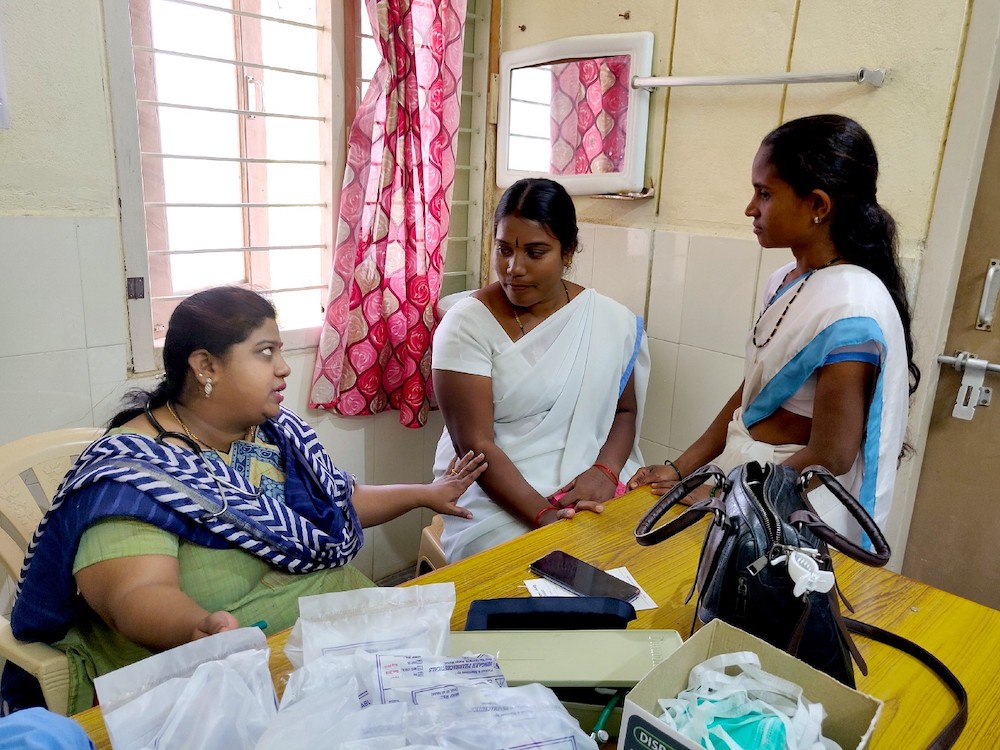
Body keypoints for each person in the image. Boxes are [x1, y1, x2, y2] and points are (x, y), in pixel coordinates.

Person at [1, 286, 485, 715]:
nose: (284, 367)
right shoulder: (136, 474)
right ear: (206, 366)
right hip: (215, 678)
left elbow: (339, 504)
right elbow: (133, 595)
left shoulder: (274, 433)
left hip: (326, 644)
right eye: (265, 352)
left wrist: (425, 494)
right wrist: (198, 626)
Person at [629, 114, 918, 543]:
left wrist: (729, 493)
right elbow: (751, 396)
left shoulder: (851, 309)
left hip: (790, 505)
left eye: (764, 194)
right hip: (746, 478)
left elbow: (831, 456)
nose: (750, 208)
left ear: (818, 206)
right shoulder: (786, 279)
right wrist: (681, 468)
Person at [432, 177, 650, 562]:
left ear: (568, 252)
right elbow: (477, 448)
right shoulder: (466, 325)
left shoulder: (607, 319)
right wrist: (549, 519)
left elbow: (625, 410)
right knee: (529, 586)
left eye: (535, 252)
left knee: (644, 563)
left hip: (594, 479)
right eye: (503, 250)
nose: (514, 268)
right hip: (495, 495)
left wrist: (605, 471)